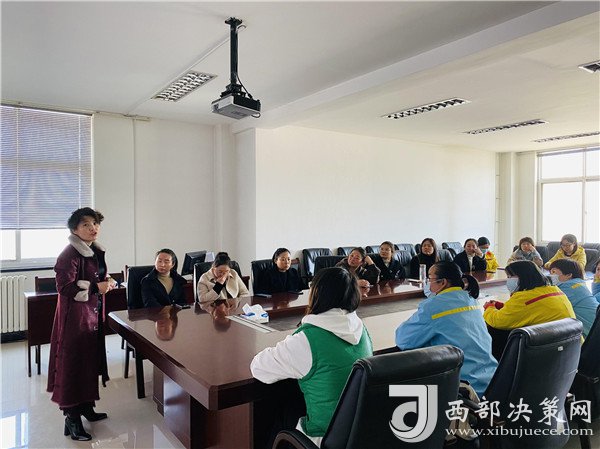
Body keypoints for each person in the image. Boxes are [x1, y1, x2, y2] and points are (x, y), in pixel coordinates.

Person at [251, 267, 373, 447]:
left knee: (279, 411)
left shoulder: (307, 340)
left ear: (317, 294)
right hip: (359, 433)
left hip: (325, 438)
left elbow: (258, 368)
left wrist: (291, 341)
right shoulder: (361, 330)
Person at [47, 208, 116, 441]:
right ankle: (72, 417)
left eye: (95, 223)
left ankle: (86, 406)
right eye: (86, 224)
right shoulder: (69, 254)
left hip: (91, 316)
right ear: (74, 229)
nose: (93, 228)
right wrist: (96, 288)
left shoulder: (93, 250)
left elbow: (96, 277)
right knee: (73, 366)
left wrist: (107, 282)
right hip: (74, 320)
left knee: (88, 362)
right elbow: (64, 288)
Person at [395, 262, 497, 396]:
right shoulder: (472, 300)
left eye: (430, 278)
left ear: (442, 282)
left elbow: (403, 340)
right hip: (491, 381)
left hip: (462, 387)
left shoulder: (434, 306)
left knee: (395, 389)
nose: (428, 283)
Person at [483, 260, 575, 346]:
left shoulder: (524, 298)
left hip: (547, 348)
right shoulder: (554, 290)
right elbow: (529, 311)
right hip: (570, 345)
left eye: (510, 276)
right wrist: (502, 306)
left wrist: (489, 307)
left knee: (494, 329)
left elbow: (499, 321)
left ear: (524, 276)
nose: (508, 280)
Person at [549, 259, 599, 337]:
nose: (550, 276)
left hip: (593, 337)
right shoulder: (579, 284)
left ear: (569, 275)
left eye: (553, 272)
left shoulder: (567, 289)